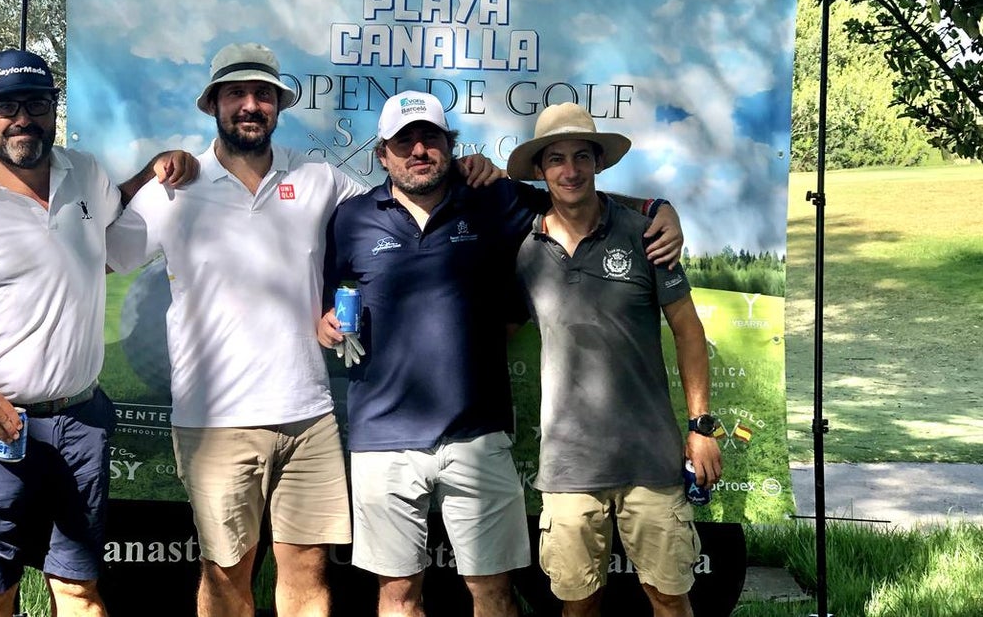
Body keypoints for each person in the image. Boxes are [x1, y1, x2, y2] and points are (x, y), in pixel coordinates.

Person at [105, 43, 495, 617]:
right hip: (215, 421)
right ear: (213, 104)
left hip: (308, 414)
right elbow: (108, 255)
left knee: (308, 571)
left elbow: (397, 209)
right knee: (225, 575)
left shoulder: (317, 178)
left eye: (262, 94)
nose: (250, 105)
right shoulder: (174, 187)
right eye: (236, 94)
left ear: (278, 106)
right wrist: (149, 171)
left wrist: (468, 171)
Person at [317, 92, 684, 617]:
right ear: (382, 154)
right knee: (397, 596)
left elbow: (575, 197)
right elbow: (326, 302)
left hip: (478, 434)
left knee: (493, 592)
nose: (418, 150)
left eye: (430, 139)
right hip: (383, 439)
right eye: (404, 141)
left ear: (450, 146)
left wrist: (655, 208)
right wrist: (325, 322)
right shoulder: (351, 219)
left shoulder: (492, 199)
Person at [0, 48, 195, 617]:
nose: (22, 119)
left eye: (37, 104)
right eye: (6, 106)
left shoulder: (84, 173)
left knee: (78, 589)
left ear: (53, 108)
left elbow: (114, 211)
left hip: (80, 420)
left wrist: (157, 168)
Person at [504, 103, 723, 617]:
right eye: (556, 159)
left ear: (598, 163)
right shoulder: (524, 250)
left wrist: (701, 426)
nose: (570, 170)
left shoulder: (645, 235)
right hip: (568, 466)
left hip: (651, 460)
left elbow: (688, 330)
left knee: (669, 598)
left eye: (582, 156)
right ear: (540, 171)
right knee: (578, 604)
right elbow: (497, 331)